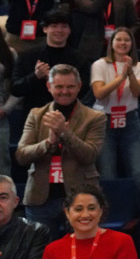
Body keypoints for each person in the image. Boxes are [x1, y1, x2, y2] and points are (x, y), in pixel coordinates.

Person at [16, 64, 106, 237]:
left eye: (70, 86)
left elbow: (90, 155)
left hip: (81, 199)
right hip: (40, 198)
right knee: (40, 255)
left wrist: (64, 133)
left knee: (82, 253)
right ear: (49, 87)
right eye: (59, 86)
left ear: (79, 87)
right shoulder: (36, 114)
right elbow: (21, 155)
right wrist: (48, 143)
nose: (65, 91)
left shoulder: (95, 117)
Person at [91, 27, 140, 192]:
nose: (123, 43)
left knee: (137, 171)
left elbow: (137, 92)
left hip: (130, 120)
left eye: (127, 40)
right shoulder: (100, 64)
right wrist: (120, 78)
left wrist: (130, 74)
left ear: (132, 44)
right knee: (108, 173)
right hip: (103, 121)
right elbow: (99, 93)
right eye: (119, 39)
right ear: (111, 43)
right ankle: (112, 213)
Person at [12, 9, 91, 112]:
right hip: (34, 114)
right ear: (45, 29)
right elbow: (15, 89)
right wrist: (35, 76)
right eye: (54, 26)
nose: (59, 30)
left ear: (70, 30)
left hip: (69, 114)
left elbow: (84, 90)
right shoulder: (28, 56)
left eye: (64, 26)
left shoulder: (80, 59)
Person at [70, 0, 136, 63]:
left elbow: (134, 24)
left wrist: (124, 39)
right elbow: (93, 8)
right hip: (91, 51)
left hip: (118, 49)